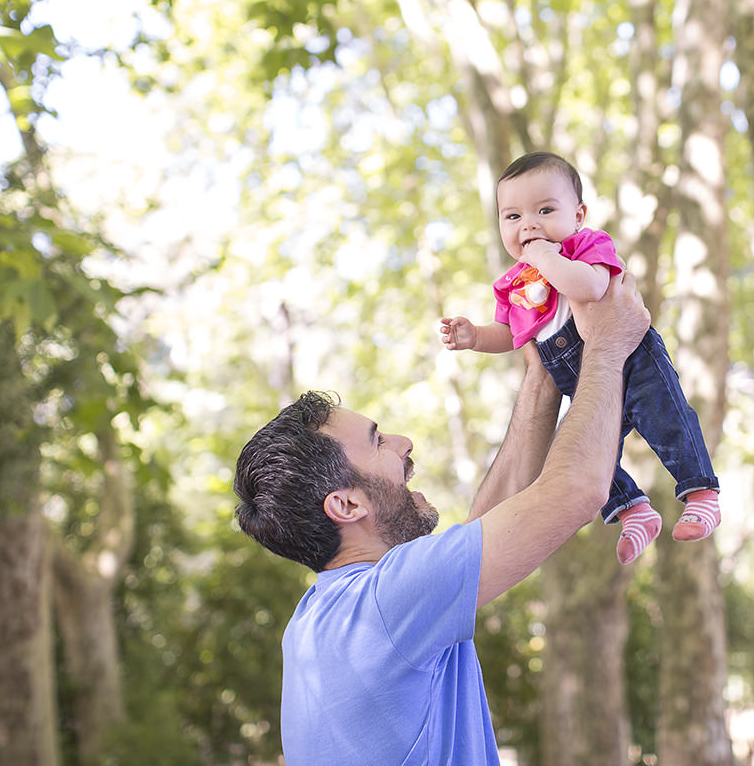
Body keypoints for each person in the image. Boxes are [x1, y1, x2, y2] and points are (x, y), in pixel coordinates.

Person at [232, 271, 649, 766]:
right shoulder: (386, 601)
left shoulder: (321, 617)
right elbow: (576, 489)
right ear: (346, 506)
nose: (404, 442)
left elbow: (488, 530)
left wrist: (541, 372)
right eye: (378, 441)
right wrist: (608, 347)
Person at [440, 151, 720, 564]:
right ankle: (633, 510)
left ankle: (700, 492)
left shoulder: (585, 245)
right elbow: (514, 335)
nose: (529, 225)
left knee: (666, 417)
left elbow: (589, 287)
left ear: (578, 214)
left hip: (631, 359)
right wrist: (475, 336)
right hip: (581, 380)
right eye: (512, 217)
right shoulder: (513, 283)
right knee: (577, 453)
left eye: (545, 210)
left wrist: (547, 259)